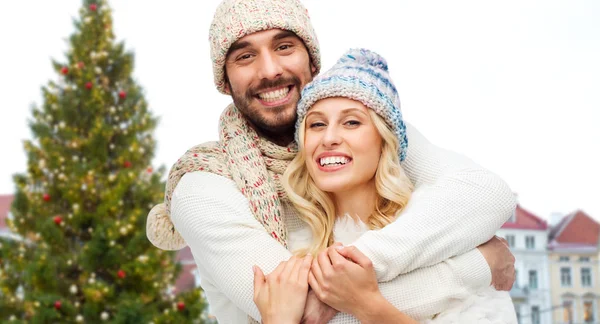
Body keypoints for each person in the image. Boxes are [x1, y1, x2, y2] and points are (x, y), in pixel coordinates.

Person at [145, 0, 517, 323]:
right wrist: (477, 265)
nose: (270, 69)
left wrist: (355, 269)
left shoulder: (365, 130)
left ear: (312, 59)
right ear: (225, 80)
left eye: (285, 46)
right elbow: (305, 312)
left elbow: (487, 194)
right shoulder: (203, 185)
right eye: (245, 56)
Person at [252, 48, 517, 323]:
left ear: (385, 142)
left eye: (351, 122)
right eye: (317, 124)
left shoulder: (440, 236)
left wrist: (368, 305)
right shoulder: (290, 252)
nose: (329, 137)